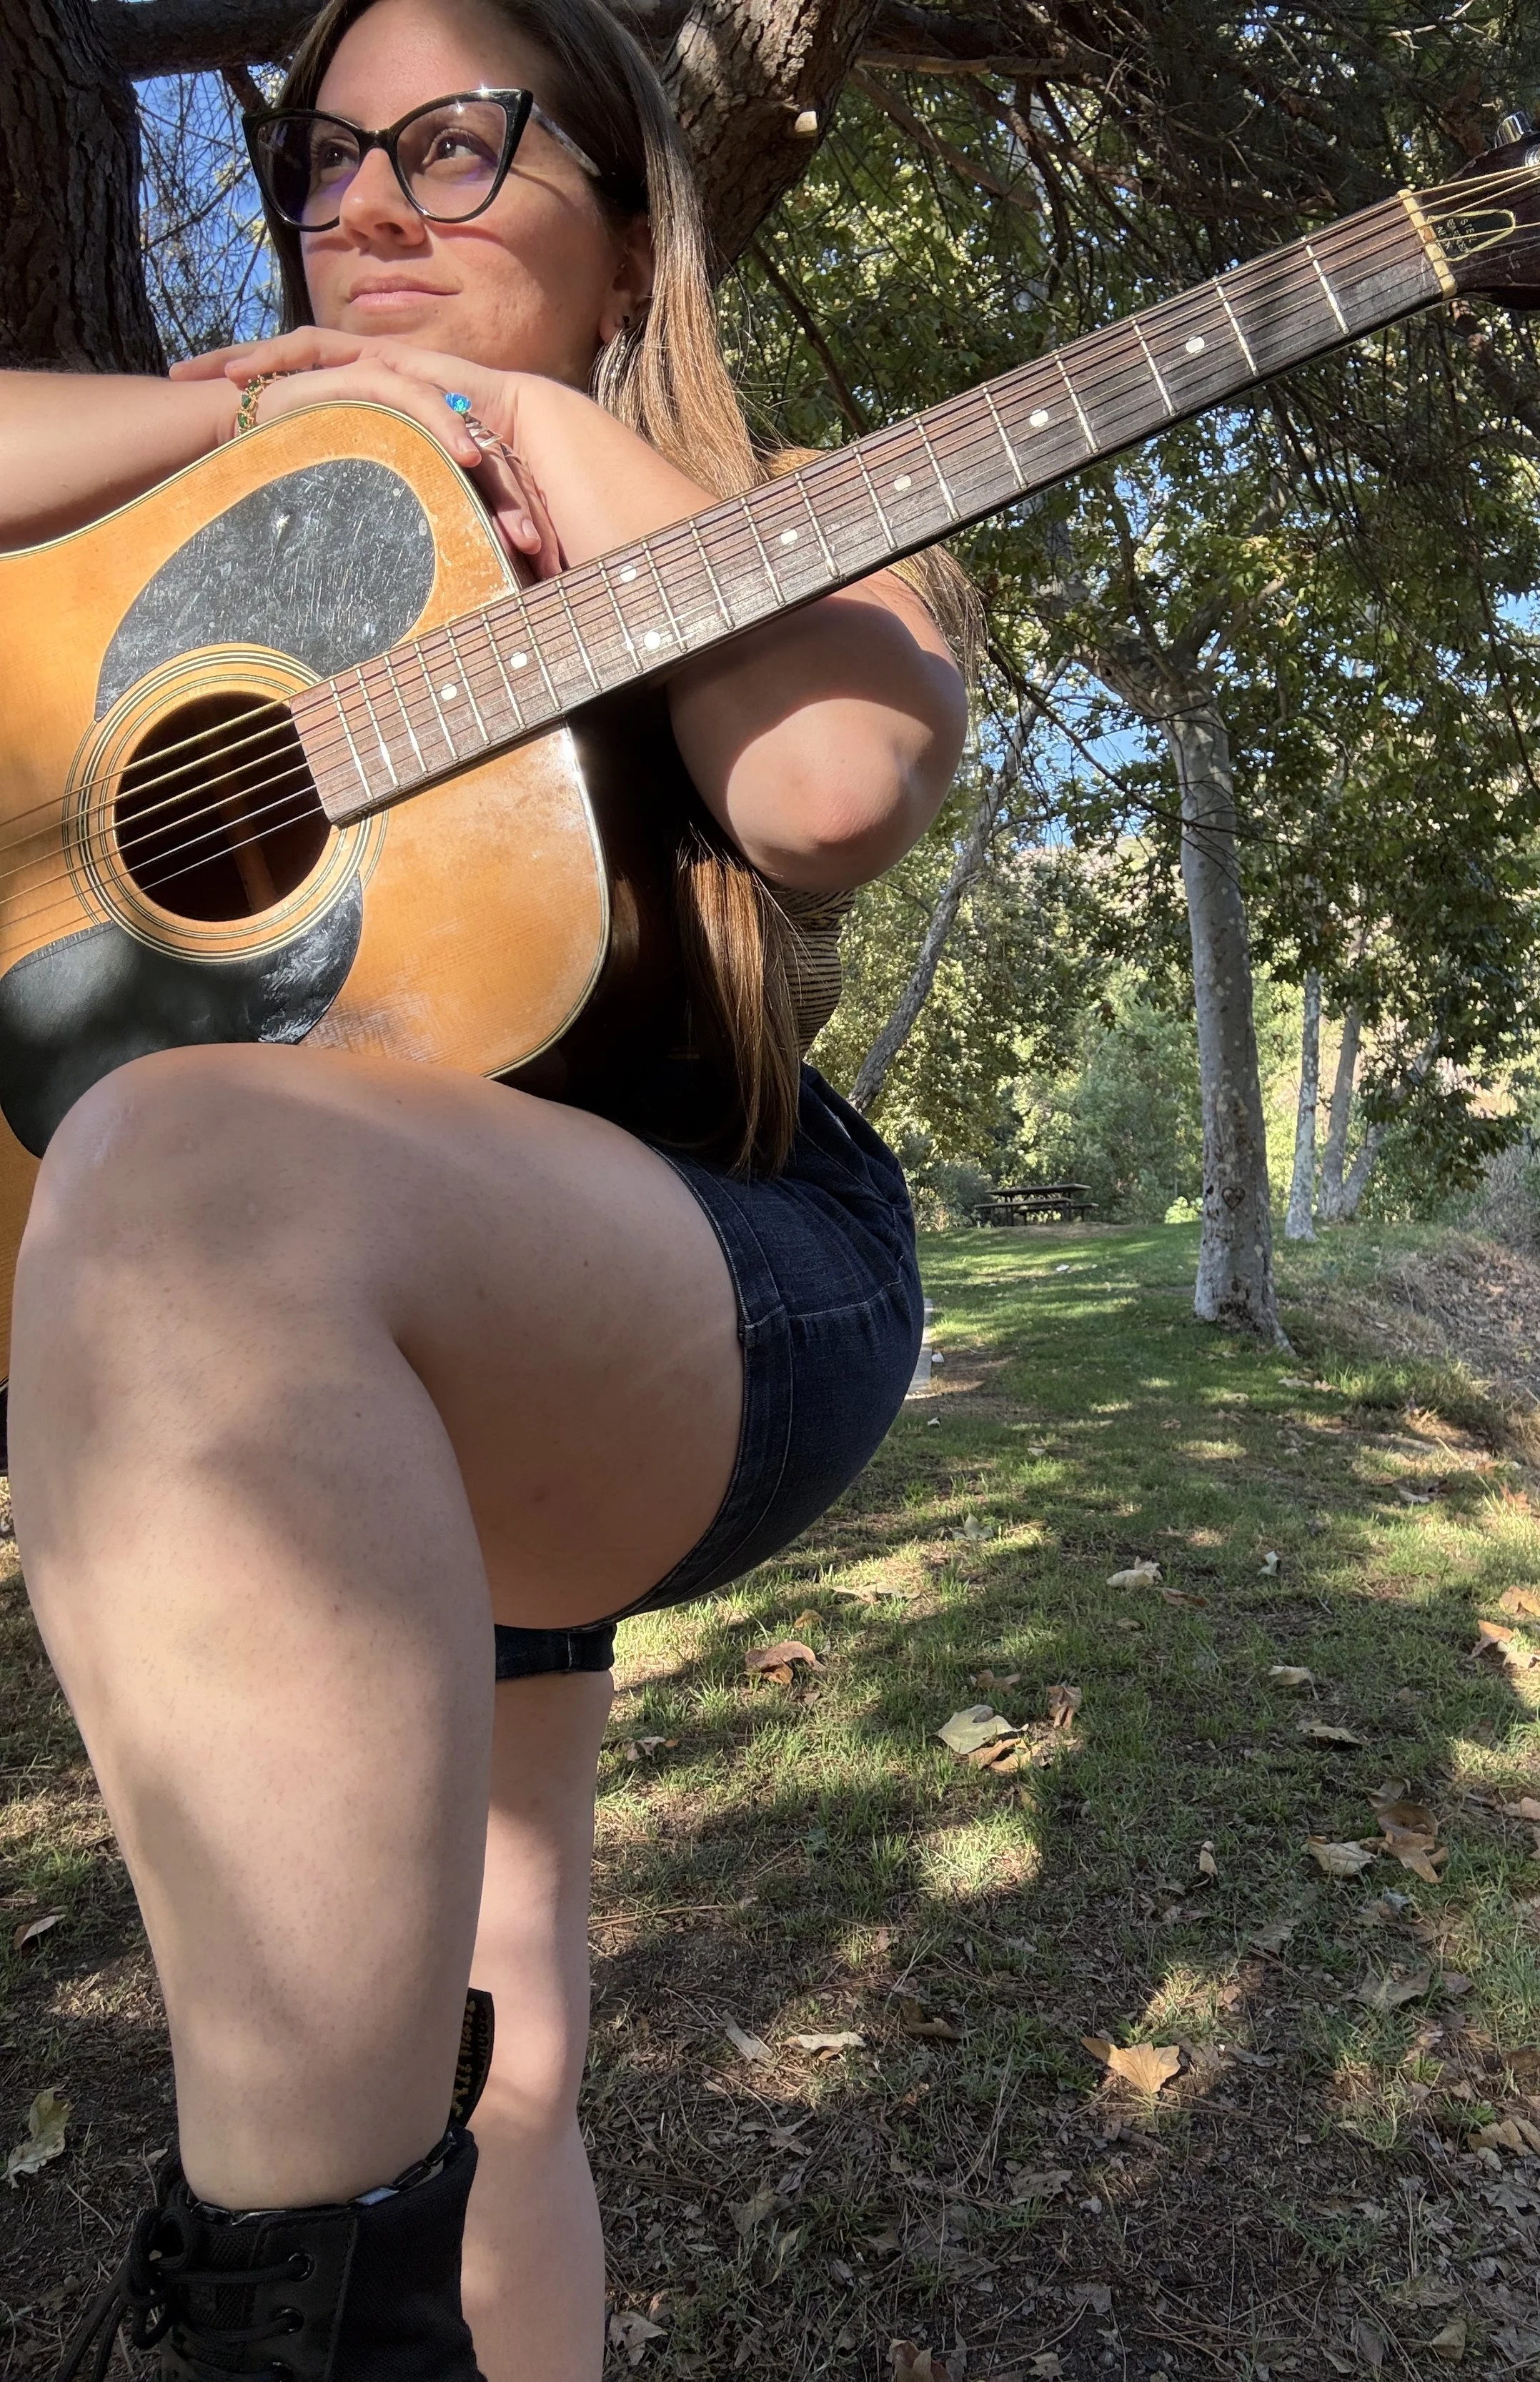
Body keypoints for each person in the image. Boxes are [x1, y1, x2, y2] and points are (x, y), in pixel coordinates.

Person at [0, 2, 968, 2375]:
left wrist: (538, 427)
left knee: (188, 1167)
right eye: (324, 159)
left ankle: (273, 2320)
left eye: (454, 143)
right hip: (330, 1372)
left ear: (634, 221)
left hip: (690, 1276)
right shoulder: (204, 513)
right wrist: (268, 401)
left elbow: (831, 782)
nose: (367, 207)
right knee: (501, 2027)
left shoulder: (800, 505)